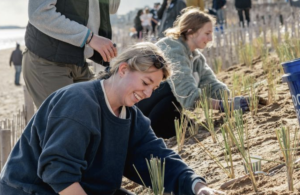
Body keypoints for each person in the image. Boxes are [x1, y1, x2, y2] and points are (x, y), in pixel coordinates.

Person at [0, 42, 224, 195]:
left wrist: (196, 185)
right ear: (123, 69)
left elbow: (156, 156)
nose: (147, 94)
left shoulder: (131, 115)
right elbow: (58, 172)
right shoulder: (79, 102)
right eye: (146, 83)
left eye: (154, 89)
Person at [137, 8, 251, 138]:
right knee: (183, 127)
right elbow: (186, 93)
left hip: (169, 108)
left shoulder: (196, 57)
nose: (210, 38)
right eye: (207, 33)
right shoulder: (170, 48)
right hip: (145, 109)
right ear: (191, 32)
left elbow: (210, 83)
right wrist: (222, 105)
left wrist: (231, 99)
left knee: (191, 128)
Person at [22, 0, 120, 108]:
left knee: (89, 119)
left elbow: (112, 7)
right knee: (66, 122)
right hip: (47, 61)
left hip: (78, 61)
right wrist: (89, 37)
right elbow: (38, 13)